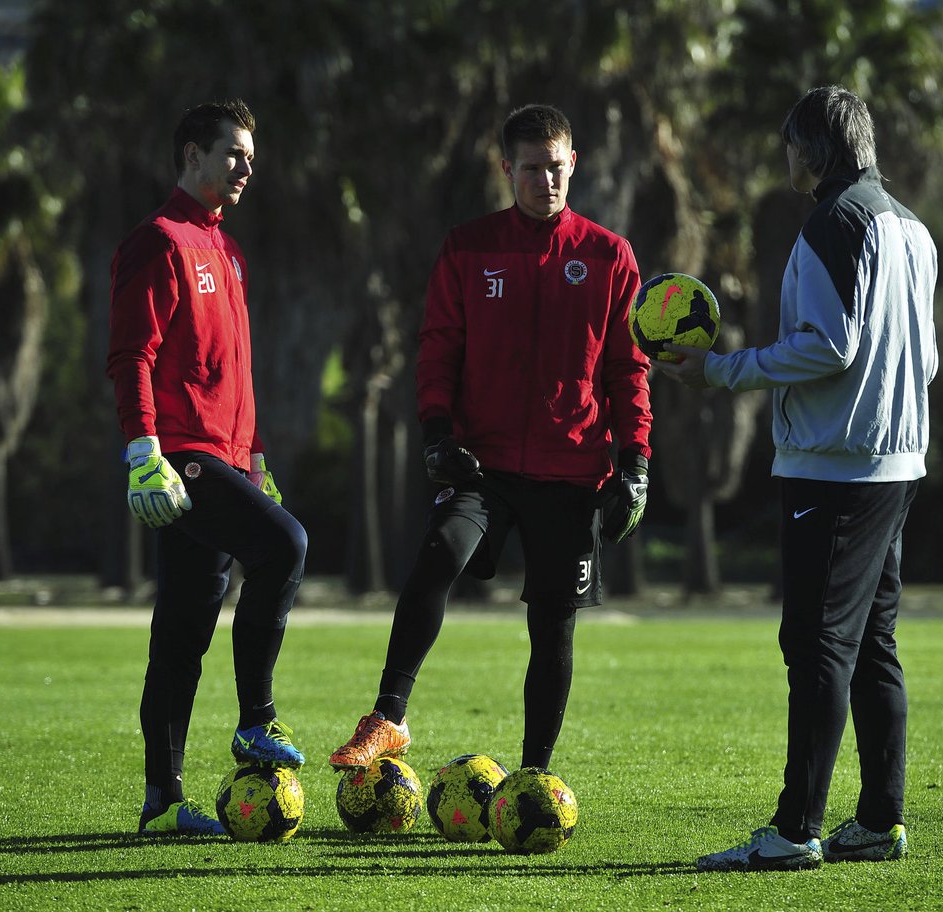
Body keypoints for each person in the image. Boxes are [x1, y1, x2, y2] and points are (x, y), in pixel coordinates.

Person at [328, 103, 653, 773]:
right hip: (484, 463)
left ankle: (535, 774)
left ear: (574, 164)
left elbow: (628, 368)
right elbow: (439, 348)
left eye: (556, 168)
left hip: (573, 470)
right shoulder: (469, 248)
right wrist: (437, 432)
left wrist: (637, 460)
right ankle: (388, 718)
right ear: (507, 169)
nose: (546, 181)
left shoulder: (608, 256)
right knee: (435, 560)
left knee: (553, 625)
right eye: (531, 169)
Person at [662, 85, 938, 871]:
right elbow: (926, 360)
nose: (785, 158)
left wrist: (721, 372)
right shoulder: (912, 228)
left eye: (790, 143)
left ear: (815, 150)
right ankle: (879, 821)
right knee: (873, 643)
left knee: (817, 644)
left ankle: (793, 831)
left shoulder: (830, 223)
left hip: (835, 469)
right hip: (898, 462)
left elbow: (829, 347)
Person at [108, 99, 308, 836]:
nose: (248, 167)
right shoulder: (158, 241)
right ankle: (257, 718)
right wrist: (142, 451)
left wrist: (254, 459)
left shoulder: (227, 251)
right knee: (286, 545)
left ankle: (163, 803)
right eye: (234, 154)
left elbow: (234, 372)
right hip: (180, 457)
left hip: (226, 457)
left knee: (183, 631)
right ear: (192, 154)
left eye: (252, 156)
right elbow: (132, 356)